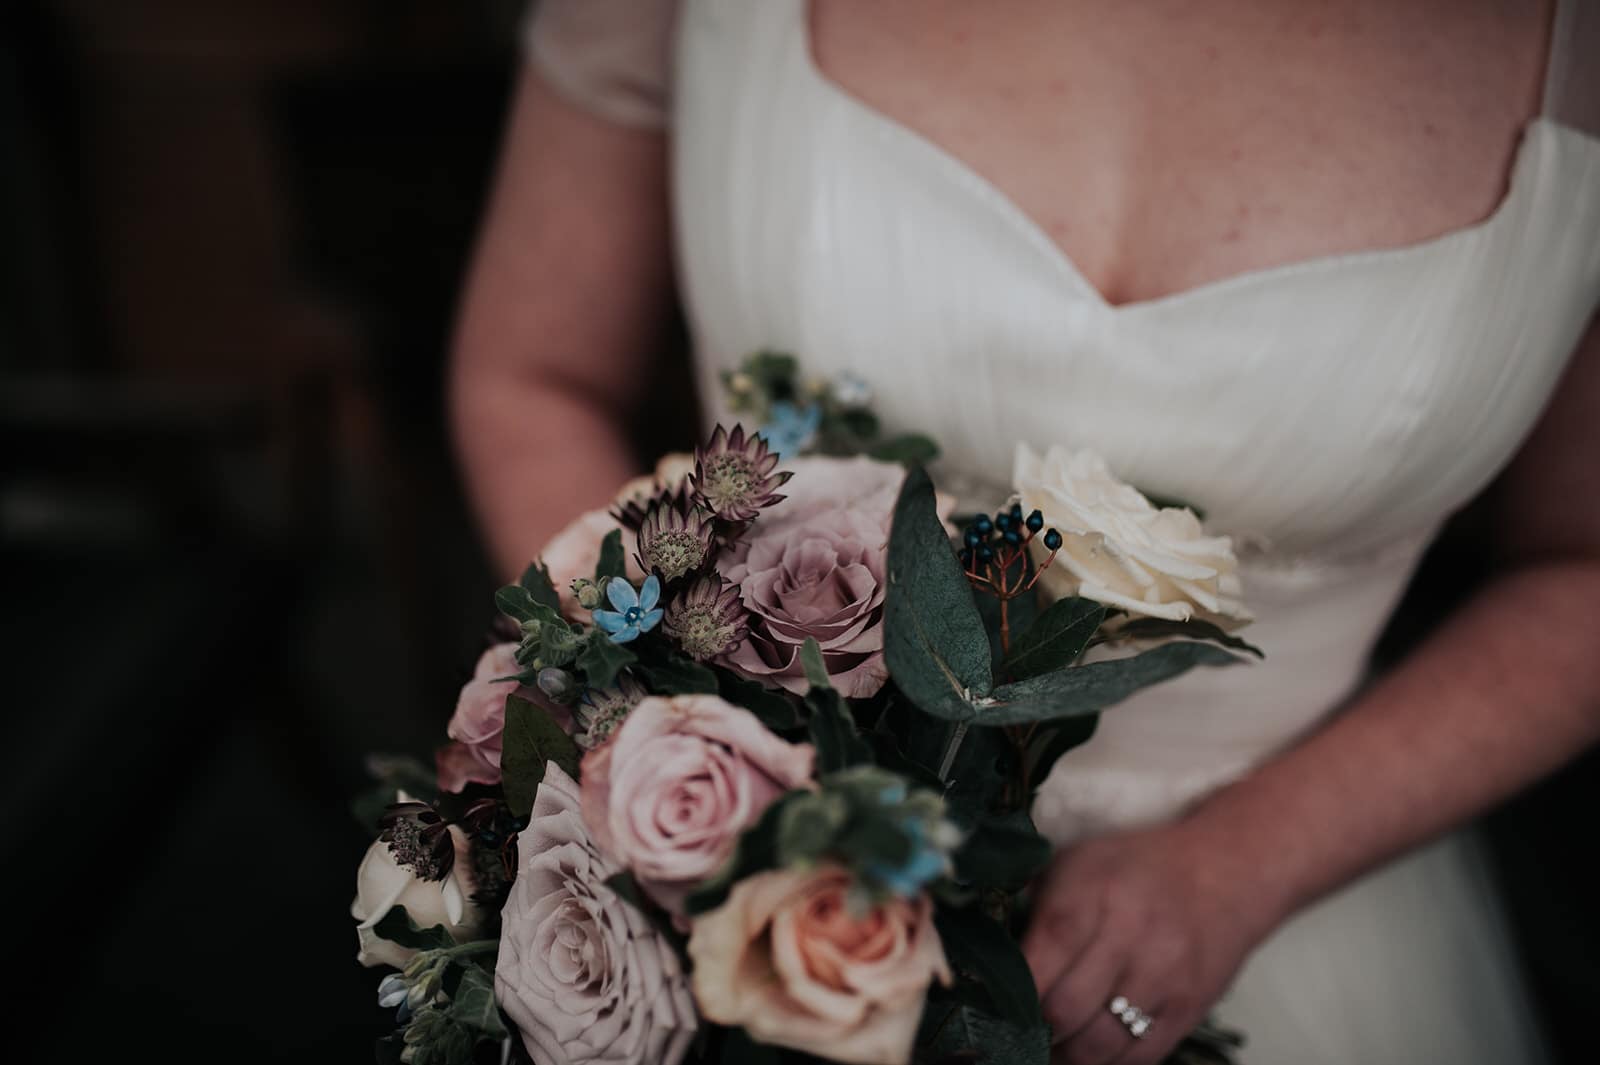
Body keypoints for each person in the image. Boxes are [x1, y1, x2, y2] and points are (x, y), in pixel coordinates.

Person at [449, 2, 1600, 1062]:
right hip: (769, 894)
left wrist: (1245, 863)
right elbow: (533, 374)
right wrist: (674, 774)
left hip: (1287, 907)